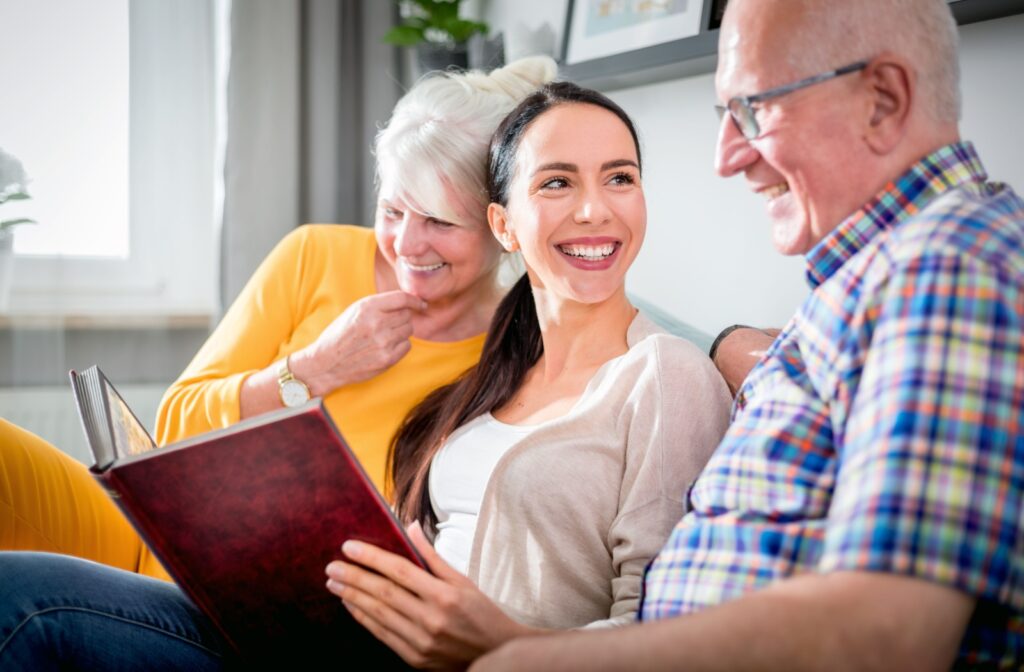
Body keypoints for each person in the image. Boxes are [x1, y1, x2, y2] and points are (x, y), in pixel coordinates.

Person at [0, 81, 732, 669]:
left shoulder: (650, 372)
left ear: (489, 233)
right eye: (558, 183)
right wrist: (312, 370)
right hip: (265, 594)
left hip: (348, 635)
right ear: (510, 222)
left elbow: (663, 632)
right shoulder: (503, 373)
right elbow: (174, 424)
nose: (593, 209)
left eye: (620, 178)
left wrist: (503, 643)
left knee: (23, 602)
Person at [472, 0, 1024, 670]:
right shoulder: (880, 280)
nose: (727, 158)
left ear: (882, 100)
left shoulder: (948, 267)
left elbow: (886, 635)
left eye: (753, 111)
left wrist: (526, 660)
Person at [0, 56, 556, 581]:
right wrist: (312, 371)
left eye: (438, 221)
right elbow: (174, 427)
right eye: (391, 210)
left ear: (501, 223)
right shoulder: (315, 254)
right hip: (149, 535)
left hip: (238, 594)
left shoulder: (513, 357)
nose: (406, 243)